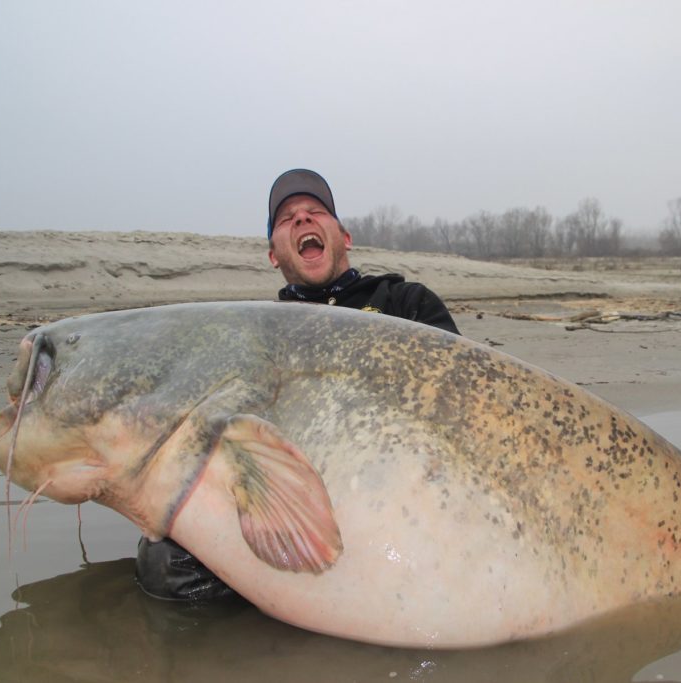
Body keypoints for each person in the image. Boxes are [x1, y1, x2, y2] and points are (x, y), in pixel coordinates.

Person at [135, 169, 459, 600]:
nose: (303, 220)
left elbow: (460, 401)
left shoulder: (405, 302)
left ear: (344, 236)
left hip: (404, 489)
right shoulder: (256, 335)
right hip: (291, 499)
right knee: (164, 564)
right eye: (287, 218)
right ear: (273, 255)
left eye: (315, 212)